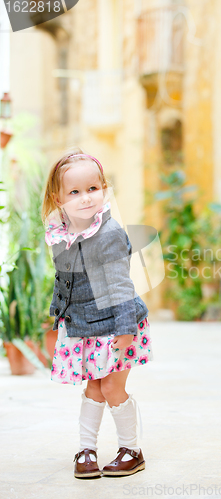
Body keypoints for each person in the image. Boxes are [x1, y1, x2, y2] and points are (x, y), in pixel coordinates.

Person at [41, 147, 153, 479]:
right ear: (58, 197)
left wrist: (125, 329)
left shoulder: (109, 233)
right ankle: (85, 449)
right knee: (92, 388)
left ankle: (132, 450)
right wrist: (62, 317)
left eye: (92, 188)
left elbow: (119, 284)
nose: (85, 198)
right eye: (74, 191)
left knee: (110, 389)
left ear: (103, 188)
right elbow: (67, 281)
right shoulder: (61, 233)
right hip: (85, 326)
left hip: (118, 325)